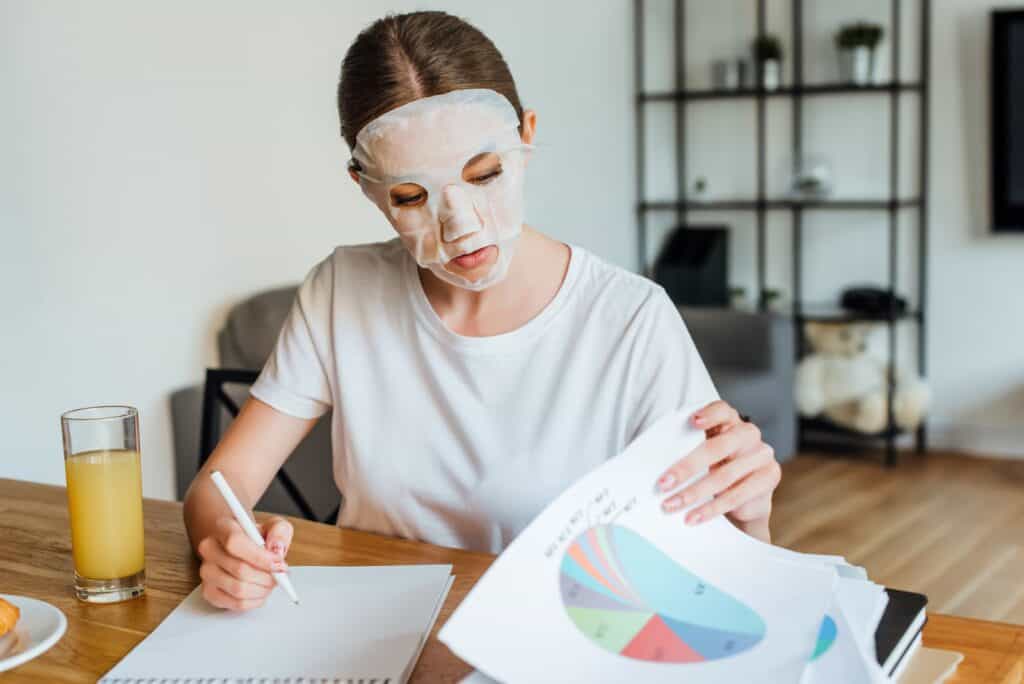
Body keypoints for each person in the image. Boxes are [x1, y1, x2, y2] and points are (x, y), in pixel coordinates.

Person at [183, 10, 781, 612]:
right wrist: (226, 543)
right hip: (374, 634)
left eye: (486, 174)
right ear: (365, 185)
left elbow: (719, 563)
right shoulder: (341, 291)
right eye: (411, 197)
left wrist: (750, 518)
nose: (461, 228)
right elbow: (218, 487)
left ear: (527, 137)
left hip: (557, 641)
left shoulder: (629, 319)